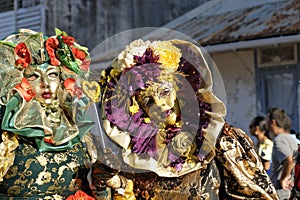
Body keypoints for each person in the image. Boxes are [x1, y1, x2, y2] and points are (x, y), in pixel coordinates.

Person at [90, 39, 279, 199]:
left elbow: (255, 195)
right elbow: (128, 192)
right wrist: (111, 180)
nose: (161, 104)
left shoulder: (221, 140)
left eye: (165, 92)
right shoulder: (136, 155)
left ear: (180, 90)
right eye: (148, 100)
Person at [0, 29, 100, 199]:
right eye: (33, 77)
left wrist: (105, 182)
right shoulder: (7, 136)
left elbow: (97, 190)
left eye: (52, 75)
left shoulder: (79, 133)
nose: (45, 84)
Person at [267, 107, 298, 199]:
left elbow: (289, 159)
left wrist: (283, 178)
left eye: (267, 120)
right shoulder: (291, 139)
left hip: (281, 190)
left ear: (273, 122)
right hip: (291, 188)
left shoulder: (279, 140)